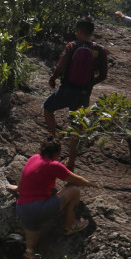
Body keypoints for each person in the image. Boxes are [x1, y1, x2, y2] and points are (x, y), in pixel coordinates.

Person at [43, 19, 109, 169]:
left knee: (48, 107)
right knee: (77, 125)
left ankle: (54, 140)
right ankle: (71, 162)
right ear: (91, 32)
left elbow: (61, 66)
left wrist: (53, 78)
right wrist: (90, 83)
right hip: (84, 93)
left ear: (79, 31)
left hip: (67, 89)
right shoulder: (100, 50)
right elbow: (104, 75)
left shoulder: (72, 46)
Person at [10, 140, 94, 252]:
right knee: (74, 191)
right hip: (38, 210)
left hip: (22, 209)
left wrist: (14, 188)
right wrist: (92, 184)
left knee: (30, 248)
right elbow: (76, 180)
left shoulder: (33, 158)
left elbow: (21, 185)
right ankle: (70, 225)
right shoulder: (54, 165)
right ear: (56, 154)